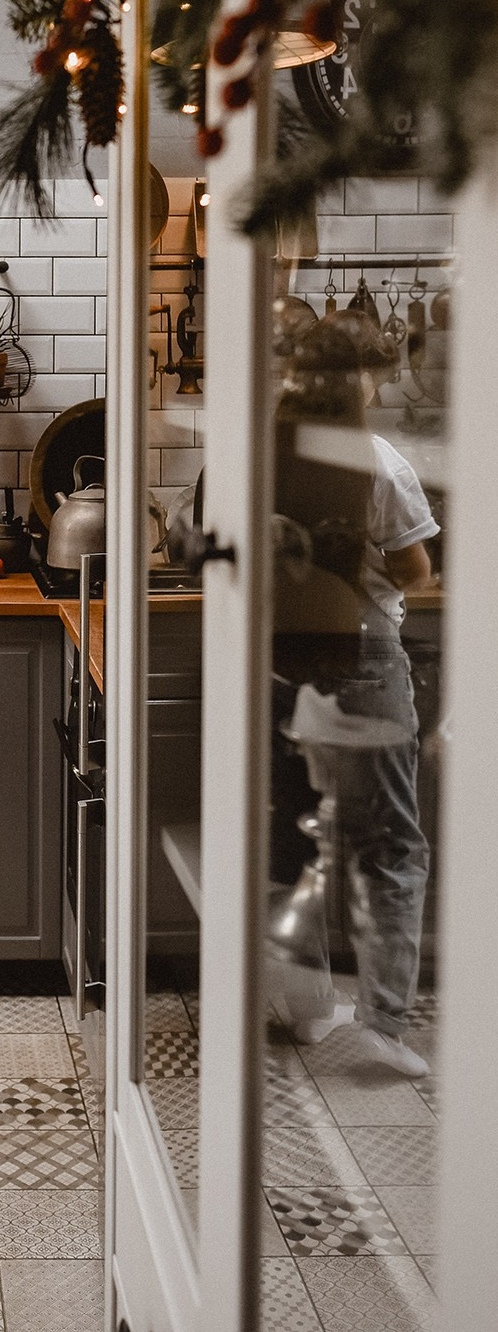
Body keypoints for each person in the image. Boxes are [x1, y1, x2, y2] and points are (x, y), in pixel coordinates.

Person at [269, 313, 436, 1078]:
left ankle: (303, 1010)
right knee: (391, 848)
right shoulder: (378, 463)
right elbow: (413, 575)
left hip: (283, 664)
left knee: (306, 840)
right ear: (358, 381)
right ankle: (383, 1026)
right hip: (365, 662)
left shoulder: (268, 454)